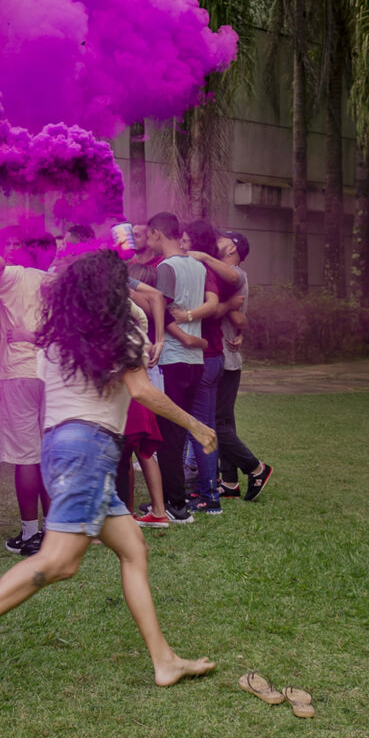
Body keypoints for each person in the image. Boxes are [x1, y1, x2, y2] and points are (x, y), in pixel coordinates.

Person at [0, 250, 217, 691]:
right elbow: (141, 390)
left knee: (133, 549)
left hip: (64, 449)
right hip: (89, 449)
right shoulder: (118, 329)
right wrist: (196, 424)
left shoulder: (60, 334)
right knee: (59, 562)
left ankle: (164, 661)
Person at [0, 231, 54, 557]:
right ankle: (53, 531)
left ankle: (31, 533)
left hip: (19, 373)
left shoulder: (15, 277)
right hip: (53, 374)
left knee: (27, 456)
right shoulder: (56, 281)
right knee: (48, 453)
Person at [188, 231, 273, 501]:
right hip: (225, 353)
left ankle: (256, 468)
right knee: (225, 421)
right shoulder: (221, 269)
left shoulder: (235, 272)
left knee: (215, 422)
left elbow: (236, 314)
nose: (217, 239)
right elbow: (238, 317)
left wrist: (224, 308)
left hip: (223, 355)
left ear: (233, 248)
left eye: (223, 237)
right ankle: (231, 481)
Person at [145, 213, 210, 522]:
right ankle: (176, 497)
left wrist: (180, 336)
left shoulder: (164, 268)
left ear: (158, 234)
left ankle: (176, 503)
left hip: (172, 357)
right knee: (179, 432)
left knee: (169, 433)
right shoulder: (198, 267)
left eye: (149, 236)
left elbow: (162, 309)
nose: (147, 242)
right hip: (194, 361)